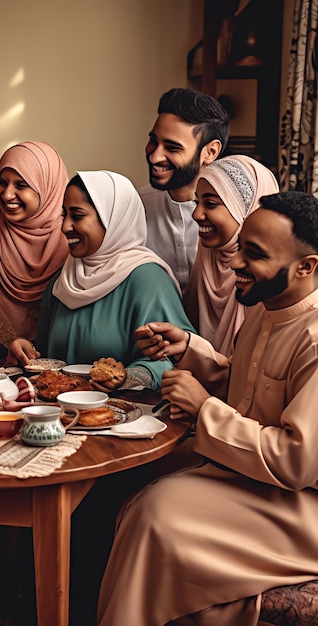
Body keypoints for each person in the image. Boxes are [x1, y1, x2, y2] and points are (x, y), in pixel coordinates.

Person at [97, 190, 318, 625]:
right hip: (248, 473)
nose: (234, 263)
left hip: (301, 507)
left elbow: (298, 461)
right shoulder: (267, 305)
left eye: (253, 255)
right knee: (118, 475)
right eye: (240, 249)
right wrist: (190, 351)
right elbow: (249, 385)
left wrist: (204, 412)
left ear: (307, 267)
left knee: (157, 514)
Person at [12, 170, 194, 390]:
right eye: (64, 215)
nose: (65, 227)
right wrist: (28, 351)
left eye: (77, 215)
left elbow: (171, 361)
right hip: (64, 415)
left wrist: (126, 378)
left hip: (128, 416)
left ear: (113, 219)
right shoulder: (62, 281)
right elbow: (51, 357)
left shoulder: (147, 280)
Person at [0, 140, 70, 363]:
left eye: (21, 185)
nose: (7, 194)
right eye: (2, 182)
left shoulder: (72, 242)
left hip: (65, 377)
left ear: (48, 187)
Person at [184, 154, 279, 356]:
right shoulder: (207, 257)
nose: (196, 215)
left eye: (210, 204)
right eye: (196, 202)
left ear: (246, 209)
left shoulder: (272, 278)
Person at [140, 87, 230, 292]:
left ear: (210, 152)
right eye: (153, 141)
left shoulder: (235, 216)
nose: (155, 157)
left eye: (172, 148)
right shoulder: (135, 205)